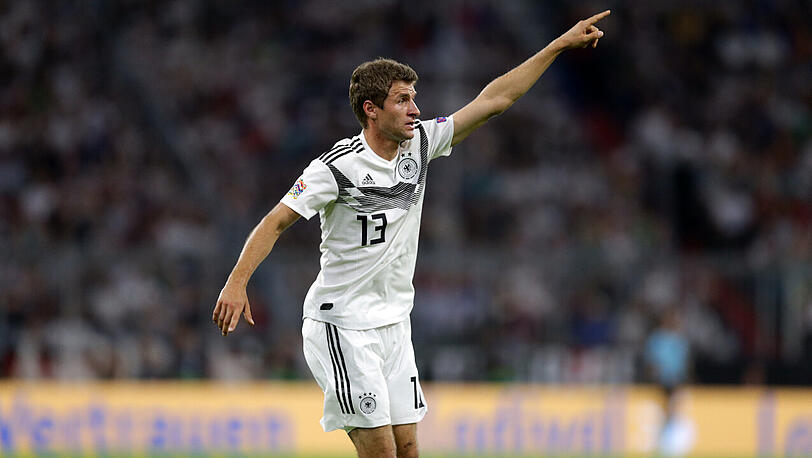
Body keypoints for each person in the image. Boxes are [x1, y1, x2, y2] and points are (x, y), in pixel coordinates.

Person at [213, 10, 610, 458]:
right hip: (343, 326)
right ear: (371, 109)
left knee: (408, 451)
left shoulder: (419, 143)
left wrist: (557, 46)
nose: (415, 110)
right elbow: (275, 221)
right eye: (402, 100)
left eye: (414, 99)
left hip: (395, 325)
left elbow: (495, 100)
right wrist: (237, 282)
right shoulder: (335, 168)